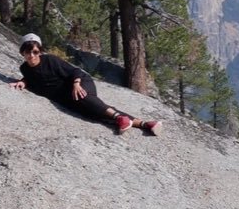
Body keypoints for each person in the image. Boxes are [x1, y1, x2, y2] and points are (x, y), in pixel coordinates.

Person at [9, 33, 161, 135]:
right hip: (66, 97)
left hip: (79, 82)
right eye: (27, 52)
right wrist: (23, 81)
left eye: (35, 52)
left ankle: (120, 118)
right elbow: (34, 78)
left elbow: (74, 71)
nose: (32, 56)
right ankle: (146, 124)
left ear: (40, 51)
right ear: (22, 52)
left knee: (83, 97)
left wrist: (76, 84)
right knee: (94, 113)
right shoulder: (24, 68)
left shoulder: (50, 60)